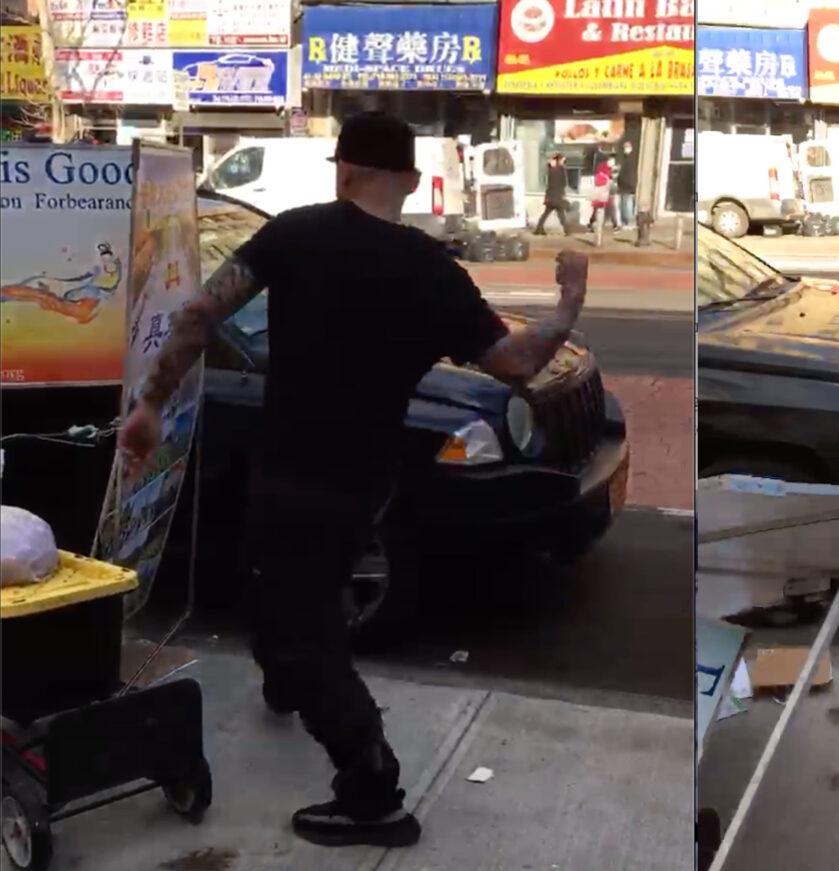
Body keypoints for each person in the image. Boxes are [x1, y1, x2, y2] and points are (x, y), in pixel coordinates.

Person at [116, 111, 591, 849]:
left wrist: (149, 402)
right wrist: (566, 304)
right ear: (407, 181)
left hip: (290, 476)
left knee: (303, 626)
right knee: (289, 590)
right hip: (365, 485)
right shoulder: (433, 271)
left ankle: (374, 794)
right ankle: (287, 668)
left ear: (342, 170)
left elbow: (199, 314)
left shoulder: (295, 234)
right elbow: (516, 363)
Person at [534, 152, 571, 235]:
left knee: (547, 214)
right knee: (561, 214)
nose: (563, 162)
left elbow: (550, 184)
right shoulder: (561, 170)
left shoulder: (551, 170)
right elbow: (564, 183)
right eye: (563, 160)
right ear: (559, 160)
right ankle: (567, 231)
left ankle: (539, 229)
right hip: (557, 196)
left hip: (551, 196)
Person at [586, 158, 618, 231]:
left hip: (600, 194)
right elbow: (610, 183)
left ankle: (591, 224)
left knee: (597, 210)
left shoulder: (601, 173)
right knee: (611, 209)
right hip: (605, 194)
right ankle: (614, 225)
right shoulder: (606, 173)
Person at [616, 140, 638, 229]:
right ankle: (625, 222)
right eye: (625, 147)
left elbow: (629, 174)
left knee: (627, 205)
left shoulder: (630, 159)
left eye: (627, 147)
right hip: (624, 186)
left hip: (628, 186)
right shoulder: (625, 158)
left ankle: (629, 223)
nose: (626, 149)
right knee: (623, 205)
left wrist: (630, 185)